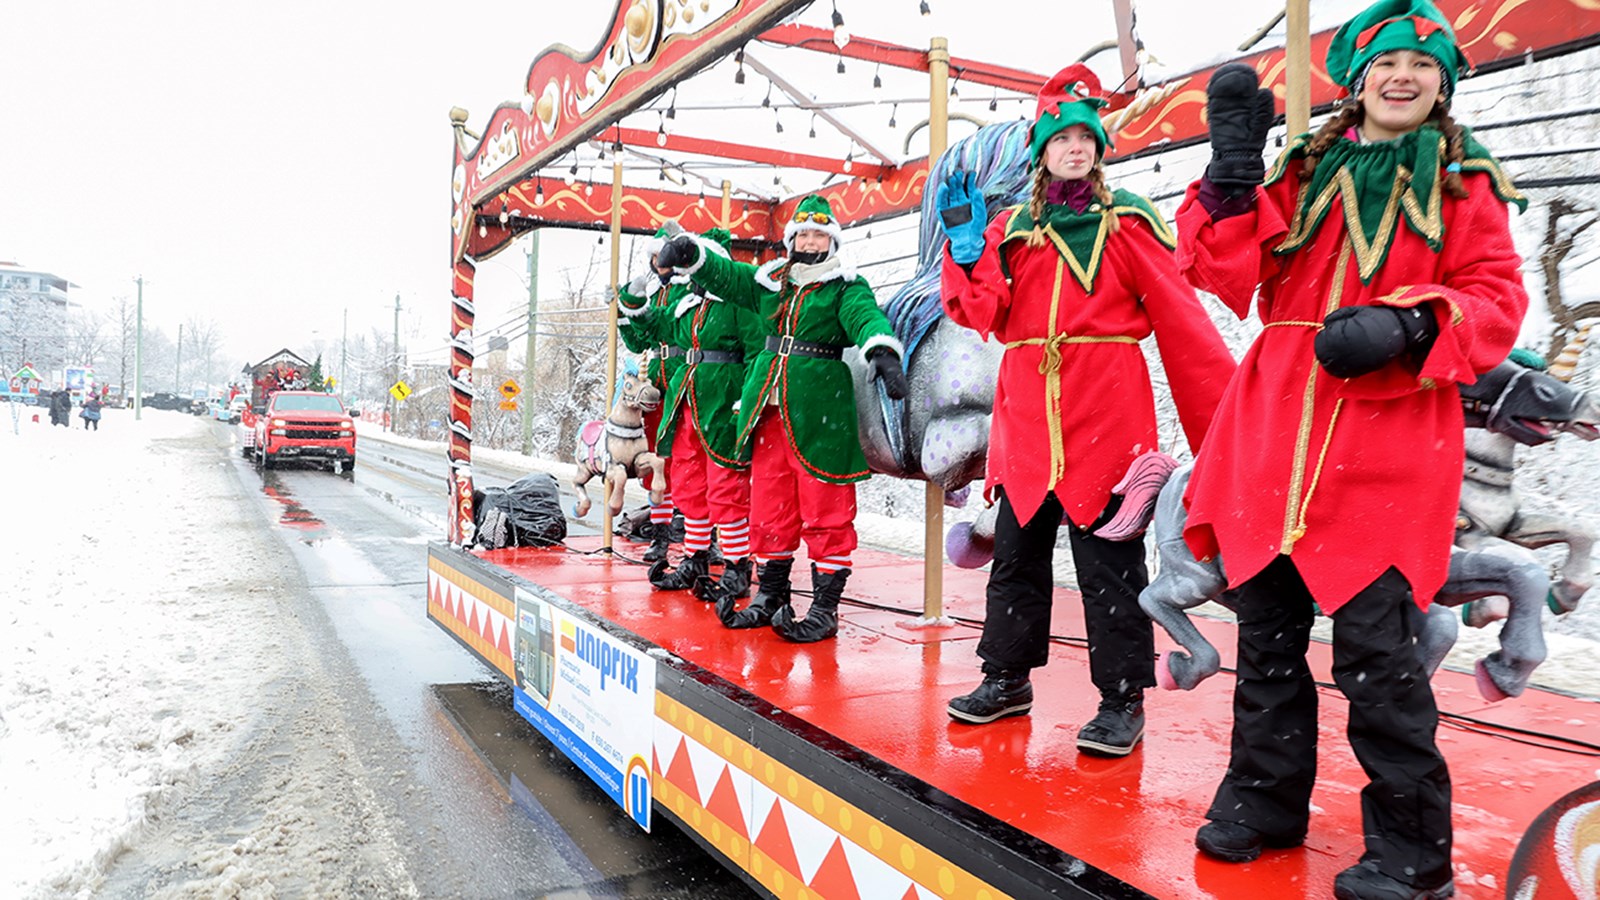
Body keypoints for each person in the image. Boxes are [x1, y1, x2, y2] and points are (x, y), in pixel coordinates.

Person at [1176, 2, 1528, 895]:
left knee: (1379, 661)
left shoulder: (1465, 181)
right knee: (1266, 642)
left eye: (1423, 65)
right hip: (1271, 435)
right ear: (1358, 81)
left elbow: (1497, 300)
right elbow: (1226, 271)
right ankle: (1263, 803)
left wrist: (1414, 326)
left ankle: (1412, 853)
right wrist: (1228, 181)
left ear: (1443, 85)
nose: (1402, 77)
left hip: (1386, 444)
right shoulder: (1302, 166)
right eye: (1387, 64)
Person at [935, 64, 1236, 757]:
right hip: (1025, 421)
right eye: (1061, 139)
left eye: (1084, 139)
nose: (1074, 148)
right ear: (1041, 152)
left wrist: (1227, 433)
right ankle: (1005, 679)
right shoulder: (1012, 230)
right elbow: (981, 313)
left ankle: (1122, 699)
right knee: (1015, 559)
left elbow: (1183, 325)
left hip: (1108, 418)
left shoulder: (1128, 223)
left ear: (1099, 149)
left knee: (1110, 568)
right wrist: (968, 249)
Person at [656, 194, 908, 642]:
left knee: (826, 508)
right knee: (770, 506)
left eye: (819, 235)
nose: (810, 242)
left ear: (832, 242)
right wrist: (693, 255)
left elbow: (864, 317)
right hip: (768, 412)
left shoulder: (844, 286)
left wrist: (881, 349)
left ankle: (825, 608)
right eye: (803, 234)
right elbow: (729, 277)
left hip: (819, 411)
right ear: (792, 240)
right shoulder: (771, 282)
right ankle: (771, 594)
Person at [622, 228, 764, 601]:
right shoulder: (686, 305)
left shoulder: (738, 304)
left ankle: (737, 567)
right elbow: (655, 327)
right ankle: (695, 559)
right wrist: (634, 304)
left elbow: (757, 353)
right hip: (686, 403)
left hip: (722, 402)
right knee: (688, 484)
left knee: (726, 486)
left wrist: (744, 402)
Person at [618, 222, 689, 562]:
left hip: (684, 380)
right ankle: (660, 535)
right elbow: (638, 342)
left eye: (666, 255)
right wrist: (625, 312)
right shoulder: (654, 293)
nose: (660, 261)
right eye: (655, 256)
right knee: (658, 463)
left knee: (691, 463)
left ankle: (704, 536)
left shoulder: (688, 291)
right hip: (656, 387)